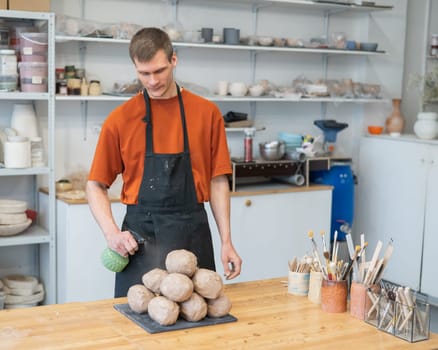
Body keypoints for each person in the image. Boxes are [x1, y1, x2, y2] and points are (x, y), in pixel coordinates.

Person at [86, 27, 242, 297]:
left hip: (193, 233)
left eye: (159, 71)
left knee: (198, 322)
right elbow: (95, 185)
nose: (153, 81)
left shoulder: (207, 114)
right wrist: (112, 233)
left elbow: (218, 181)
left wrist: (226, 241)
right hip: (142, 239)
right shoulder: (120, 120)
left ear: (174, 60)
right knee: (136, 325)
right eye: (144, 73)